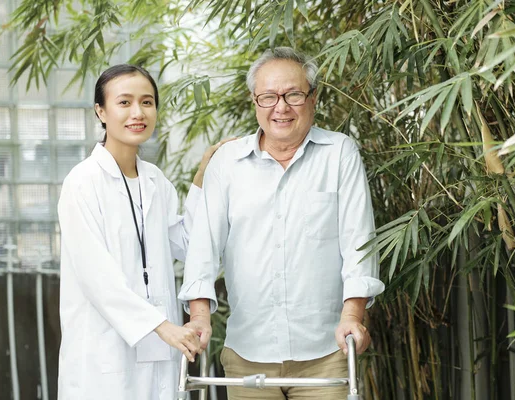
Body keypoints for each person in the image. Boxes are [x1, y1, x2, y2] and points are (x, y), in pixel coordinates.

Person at [178, 47, 385, 399]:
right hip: (247, 353)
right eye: (269, 96)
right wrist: (199, 317)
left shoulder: (340, 153)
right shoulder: (227, 162)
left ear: (313, 97)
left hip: (327, 352)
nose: (281, 107)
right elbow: (203, 247)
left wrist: (353, 316)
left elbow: (359, 243)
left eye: (293, 94)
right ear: (254, 100)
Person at [57, 64, 231, 399]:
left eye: (147, 102)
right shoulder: (82, 183)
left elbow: (186, 243)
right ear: (101, 111)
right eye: (124, 102)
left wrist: (202, 177)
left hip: (157, 351)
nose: (138, 112)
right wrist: (164, 327)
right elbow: (98, 279)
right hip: (104, 356)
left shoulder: (155, 180)